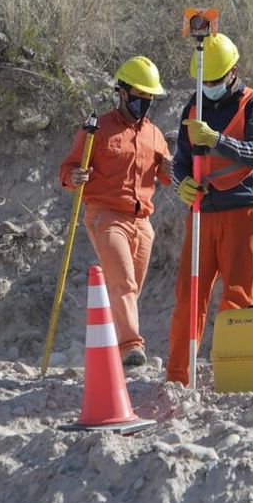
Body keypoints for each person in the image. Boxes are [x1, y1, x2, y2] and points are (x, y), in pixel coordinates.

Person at [166, 33, 253, 386]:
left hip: (244, 212)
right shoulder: (193, 107)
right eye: (204, 81)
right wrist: (181, 182)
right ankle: (179, 377)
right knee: (189, 296)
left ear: (232, 72)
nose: (209, 86)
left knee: (237, 297)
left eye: (214, 80)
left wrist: (215, 139)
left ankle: (234, 376)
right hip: (202, 212)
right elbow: (180, 162)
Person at [58, 56, 172, 367]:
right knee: (123, 283)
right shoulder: (97, 130)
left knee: (129, 289)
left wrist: (171, 169)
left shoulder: (155, 135)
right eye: (139, 96)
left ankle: (107, 345)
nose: (144, 103)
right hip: (105, 216)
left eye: (149, 98)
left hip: (143, 222)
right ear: (122, 92)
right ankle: (131, 348)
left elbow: (165, 176)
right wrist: (73, 177)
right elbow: (68, 168)